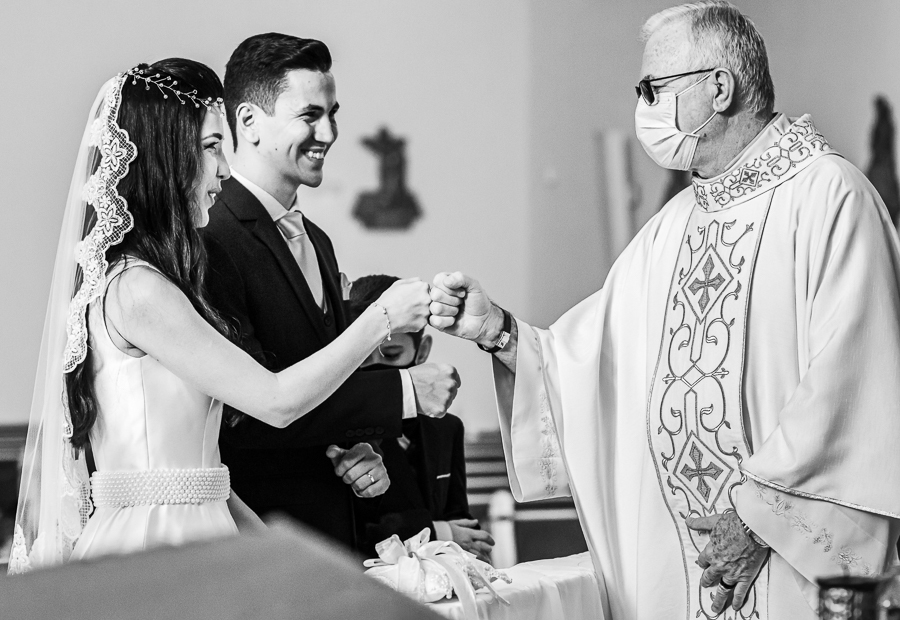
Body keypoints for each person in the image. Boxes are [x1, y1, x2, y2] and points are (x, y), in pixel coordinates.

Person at [428, 2, 900, 619]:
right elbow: (597, 362)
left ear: (721, 87)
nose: (643, 107)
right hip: (679, 571)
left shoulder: (829, 197)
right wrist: (500, 333)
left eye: (653, 88)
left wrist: (754, 521)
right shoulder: (672, 225)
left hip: (781, 561)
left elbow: (852, 389)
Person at [10, 58, 431, 573]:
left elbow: (206, 479)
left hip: (205, 531)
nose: (225, 170)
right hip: (153, 549)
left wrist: (284, 563)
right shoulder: (136, 290)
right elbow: (275, 402)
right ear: (166, 154)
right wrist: (380, 319)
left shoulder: (162, 282)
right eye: (211, 148)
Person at [202, 33, 461, 549]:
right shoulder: (212, 236)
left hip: (334, 536)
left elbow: (329, 382)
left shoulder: (315, 241)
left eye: (333, 114)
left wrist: (357, 450)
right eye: (310, 116)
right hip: (259, 535)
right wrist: (403, 392)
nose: (330, 132)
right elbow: (244, 414)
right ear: (249, 122)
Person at [348, 275, 494, 562]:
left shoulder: (446, 427)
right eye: (362, 358)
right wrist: (439, 531)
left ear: (422, 351)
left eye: (391, 354)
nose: (377, 370)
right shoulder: (340, 431)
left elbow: (460, 521)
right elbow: (353, 533)